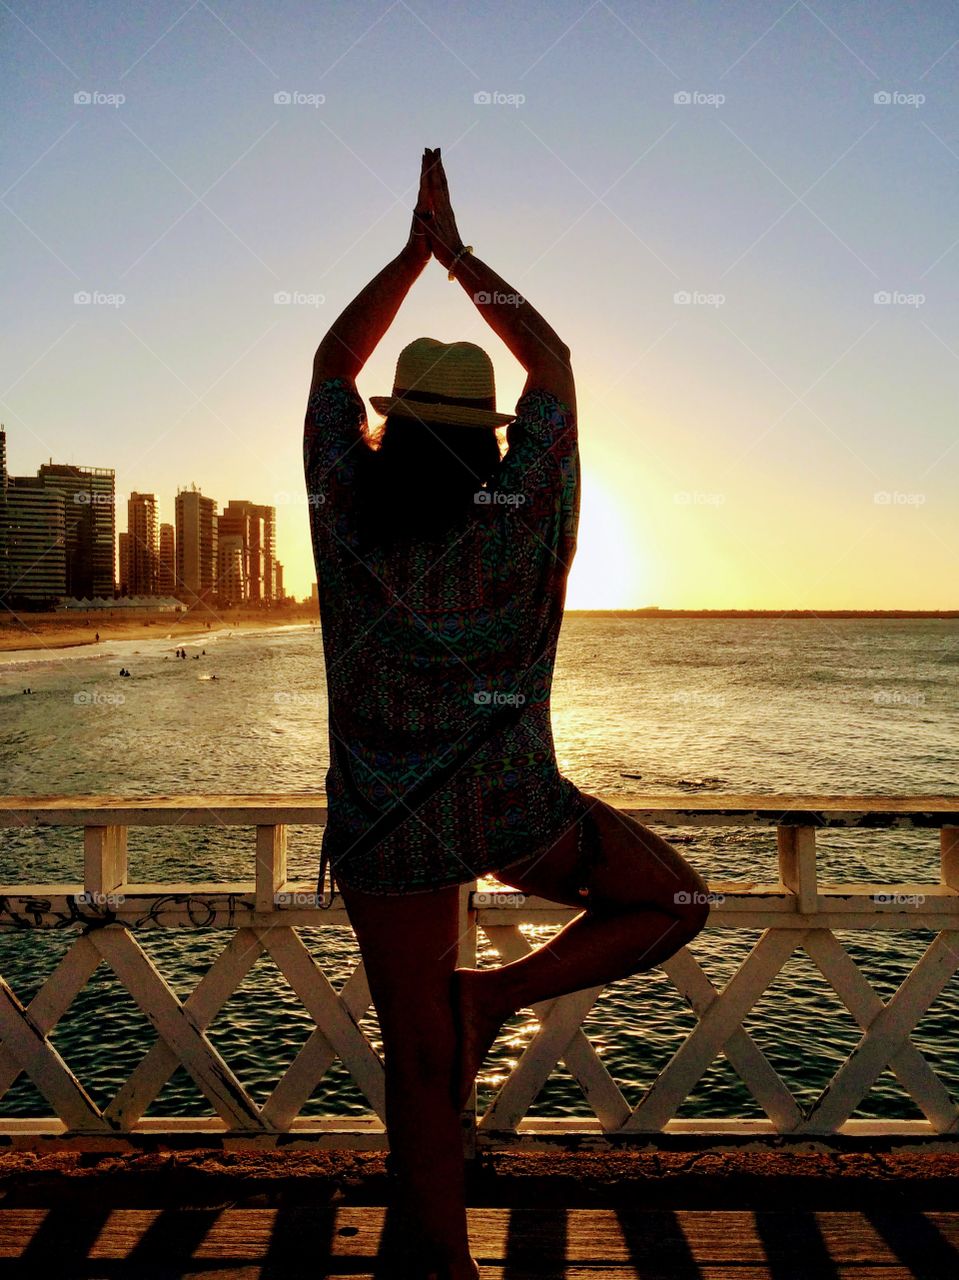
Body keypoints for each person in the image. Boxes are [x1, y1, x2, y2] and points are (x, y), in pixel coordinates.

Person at [304, 148, 711, 1280]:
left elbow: (334, 357)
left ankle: (428, 1254)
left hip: (386, 823)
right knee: (674, 894)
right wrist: (461, 257)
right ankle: (500, 997)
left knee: (417, 1054)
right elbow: (558, 359)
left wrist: (407, 255)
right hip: (510, 804)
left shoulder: (345, 503)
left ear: (390, 426)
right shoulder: (521, 506)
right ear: (486, 437)